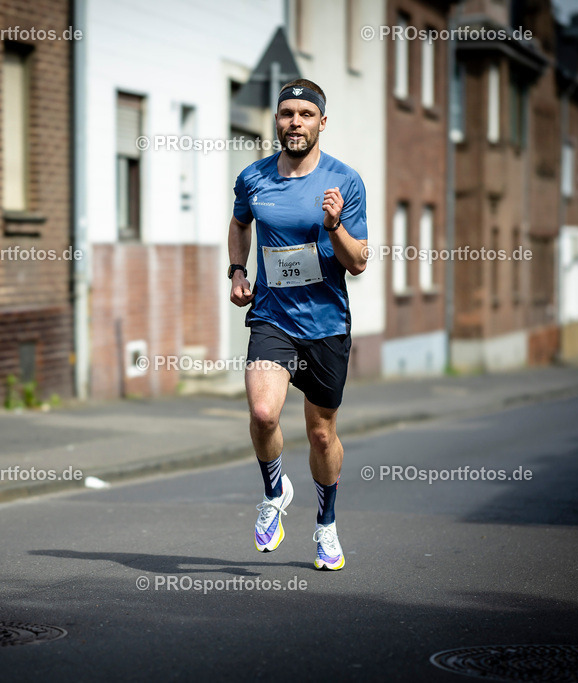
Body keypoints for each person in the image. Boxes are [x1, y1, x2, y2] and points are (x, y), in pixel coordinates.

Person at [227, 78, 368, 570]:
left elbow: (359, 263)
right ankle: (274, 493)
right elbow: (240, 222)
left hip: (326, 323)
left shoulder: (343, 182)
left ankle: (326, 526)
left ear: (321, 123)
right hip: (272, 316)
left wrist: (334, 226)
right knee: (263, 414)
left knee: (321, 435)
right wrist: (239, 270)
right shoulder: (254, 178)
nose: (295, 122)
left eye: (306, 115)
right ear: (276, 120)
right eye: (287, 113)